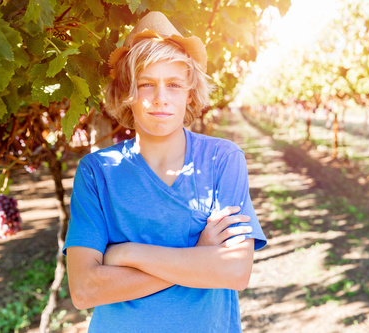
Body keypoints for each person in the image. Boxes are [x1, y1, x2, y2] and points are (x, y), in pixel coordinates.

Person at [63, 11, 267, 332]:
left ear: (190, 93)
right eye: (147, 84)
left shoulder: (222, 159)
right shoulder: (97, 172)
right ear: (128, 94)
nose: (161, 99)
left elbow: (235, 271)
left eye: (174, 84)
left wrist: (126, 253)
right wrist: (199, 257)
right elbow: (85, 289)